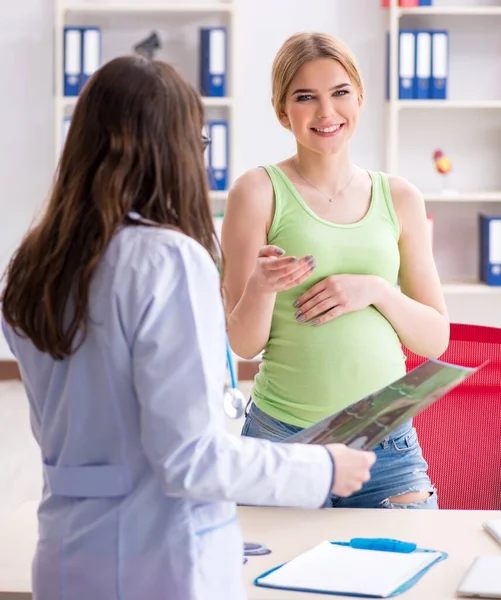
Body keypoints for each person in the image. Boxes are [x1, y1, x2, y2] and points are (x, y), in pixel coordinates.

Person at [0, 56, 375, 600]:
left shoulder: (34, 265)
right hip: (160, 562)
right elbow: (189, 459)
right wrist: (322, 469)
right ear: (169, 149)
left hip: (66, 554)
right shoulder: (165, 258)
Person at [221, 32, 449, 510]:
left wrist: (376, 291)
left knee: (411, 579)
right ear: (283, 112)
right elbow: (243, 345)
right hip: (284, 441)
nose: (326, 112)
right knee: (266, 582)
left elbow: (434, 339)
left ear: (359, 98)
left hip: (387, 446)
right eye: (306, 97)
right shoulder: (257, 192)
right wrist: (261, 289)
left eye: (339, 92)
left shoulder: (400, 197)